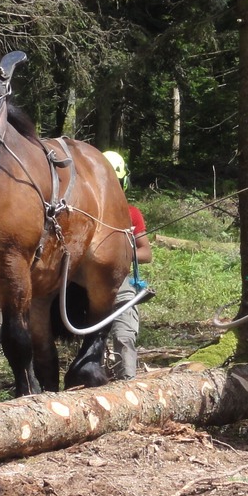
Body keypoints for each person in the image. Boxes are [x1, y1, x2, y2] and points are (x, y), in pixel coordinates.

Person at [102, 150, 152, 380]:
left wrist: (119, 253)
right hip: (85, 286)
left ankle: (128, 384)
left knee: (124, 336)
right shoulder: (85, 213)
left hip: (120, 284)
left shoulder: (131, 214)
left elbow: (145, 253)